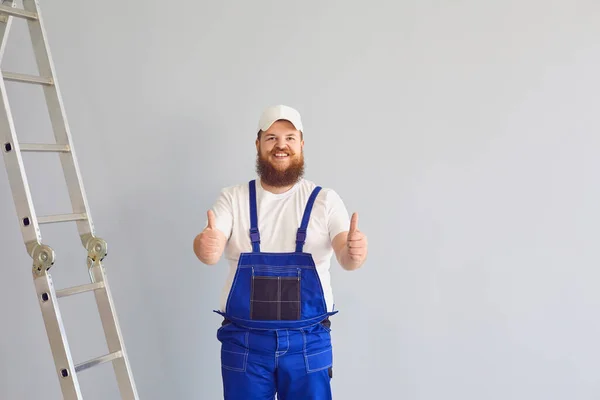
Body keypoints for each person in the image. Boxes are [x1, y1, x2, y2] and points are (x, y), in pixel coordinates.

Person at [193, 104, 368, 399]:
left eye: (289, 137)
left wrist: (354, 250)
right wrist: (204, 245)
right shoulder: (233, 198)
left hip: (308, 345)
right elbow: (209, 250)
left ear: (301, 143)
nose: (281, 146)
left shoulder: (325, 200)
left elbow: (347, 258)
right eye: (272, 137)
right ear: (258, 144)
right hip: (245, 345)